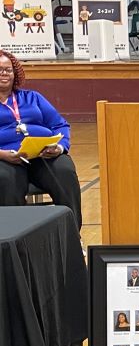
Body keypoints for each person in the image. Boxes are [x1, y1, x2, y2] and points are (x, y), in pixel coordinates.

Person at [0, 50, 82, 228]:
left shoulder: (33, 97)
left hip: (42, 154)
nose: (4, 74)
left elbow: (60, 125)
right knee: (5, 179)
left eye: (8, 70)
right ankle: (17, 244)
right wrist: (2, 154)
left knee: (64, 171)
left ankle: (72, 236)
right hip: (5, 158)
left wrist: (59, 147)